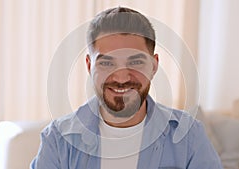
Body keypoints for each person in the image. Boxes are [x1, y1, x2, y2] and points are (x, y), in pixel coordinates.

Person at [31, 7, 222, 169]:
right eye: (107, 63)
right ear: (89, 66)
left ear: (154, 66)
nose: (121, 78)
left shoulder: (189, 137)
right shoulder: (58, 140)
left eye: (136, 61)